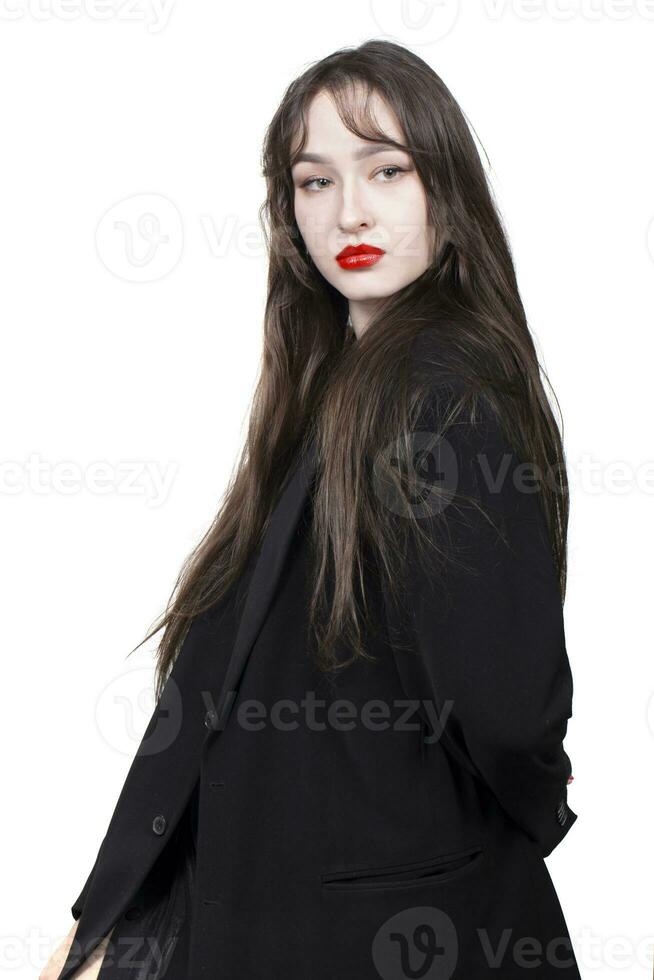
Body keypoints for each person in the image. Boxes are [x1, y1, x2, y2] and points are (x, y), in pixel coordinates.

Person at [43, 38, 580, 980]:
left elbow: (504, 702)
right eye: (314, 181)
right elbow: (218, 688)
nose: (351, 210)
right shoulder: (335, 392)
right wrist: (113, 918)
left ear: (444, 194)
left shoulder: (441, 390)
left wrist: (541, 800)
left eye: (387, 169)